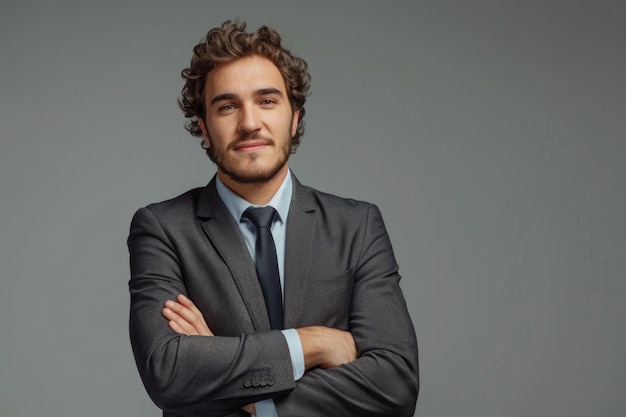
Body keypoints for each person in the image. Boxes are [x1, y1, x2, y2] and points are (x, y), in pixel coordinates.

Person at [128, 20, 418, 417]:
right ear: (205, 130)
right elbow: (168, 370)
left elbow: (395, 385)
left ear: (295, 118)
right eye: (227, 106)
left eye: (267, 101)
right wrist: (310, 344)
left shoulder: (357, 226)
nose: (249, 123)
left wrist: (238, 389)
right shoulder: (163, 229)